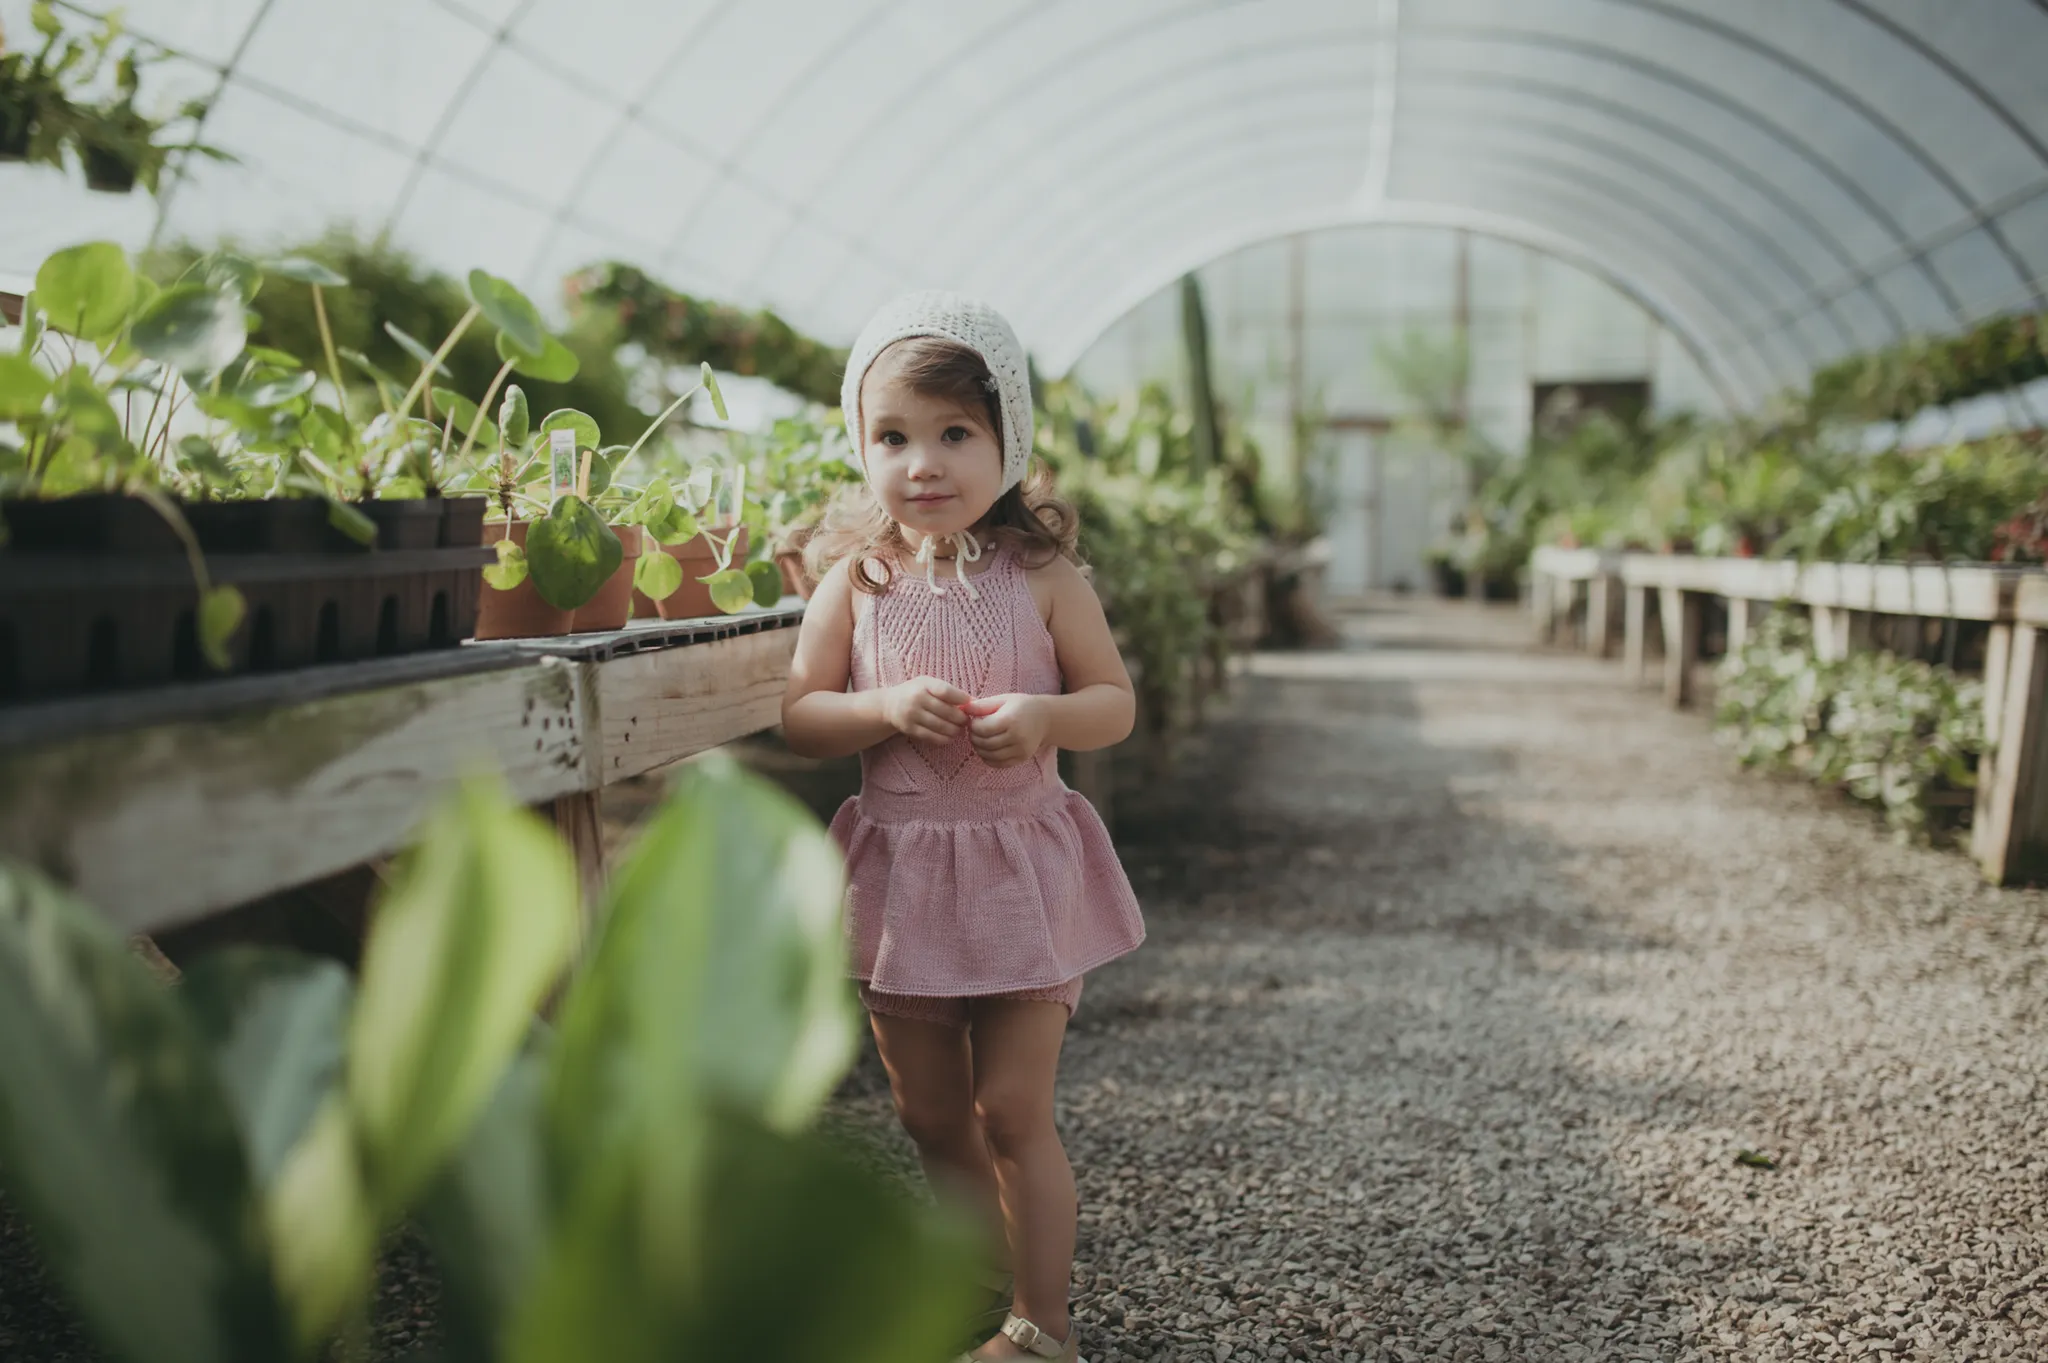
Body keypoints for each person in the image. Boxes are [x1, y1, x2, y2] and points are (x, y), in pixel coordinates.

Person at [781, 292, 1145, 1363]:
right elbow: (802, 716)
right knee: (930, 1113)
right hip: (902, 879)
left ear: (1007, 444)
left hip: (1020, 871)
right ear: (861, 448)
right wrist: (881, 709)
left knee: (1008, 1108)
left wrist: (1044, 718)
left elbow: (1112, 703)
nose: (922, 463)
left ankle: (1042, 1325)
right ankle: (975, 1281)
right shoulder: (855, 583)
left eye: (954, 434)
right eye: (891, 437)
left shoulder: (1040, 578)